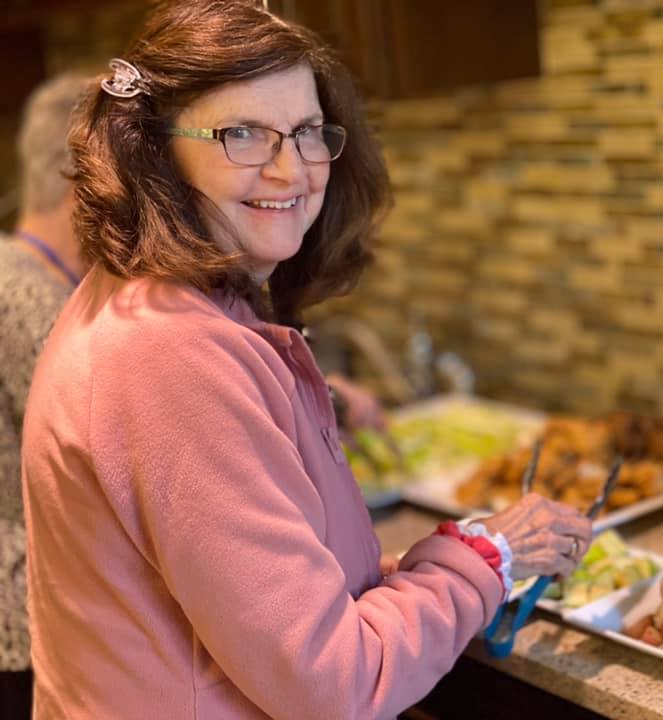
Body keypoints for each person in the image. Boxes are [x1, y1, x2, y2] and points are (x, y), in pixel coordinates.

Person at [21, 2, 593, 719]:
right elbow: (334, 681)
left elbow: (269, 603)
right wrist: (487, 556)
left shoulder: (159, 303)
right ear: (155, 151)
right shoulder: (168, 357)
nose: (291, 168)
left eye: (305, 131)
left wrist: (442, 563)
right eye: (242, 134)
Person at [0, 72, 91, 720]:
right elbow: (103, 456)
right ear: (79, 180)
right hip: (22, 623)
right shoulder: (32, 300)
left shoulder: (14, 268)